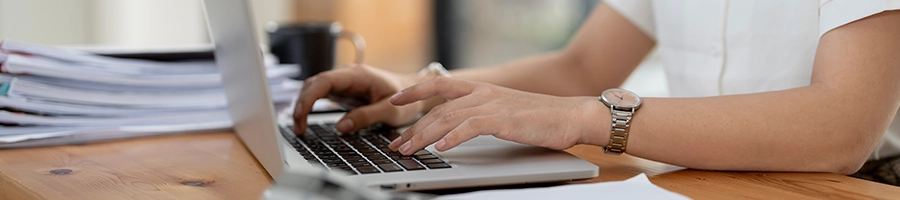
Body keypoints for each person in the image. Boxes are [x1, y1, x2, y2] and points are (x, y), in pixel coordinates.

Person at [293, 1, 900, 185]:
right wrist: (419, 91)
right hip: (702, 182)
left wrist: (591, 119)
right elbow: (582, 65)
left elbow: (840, 129)